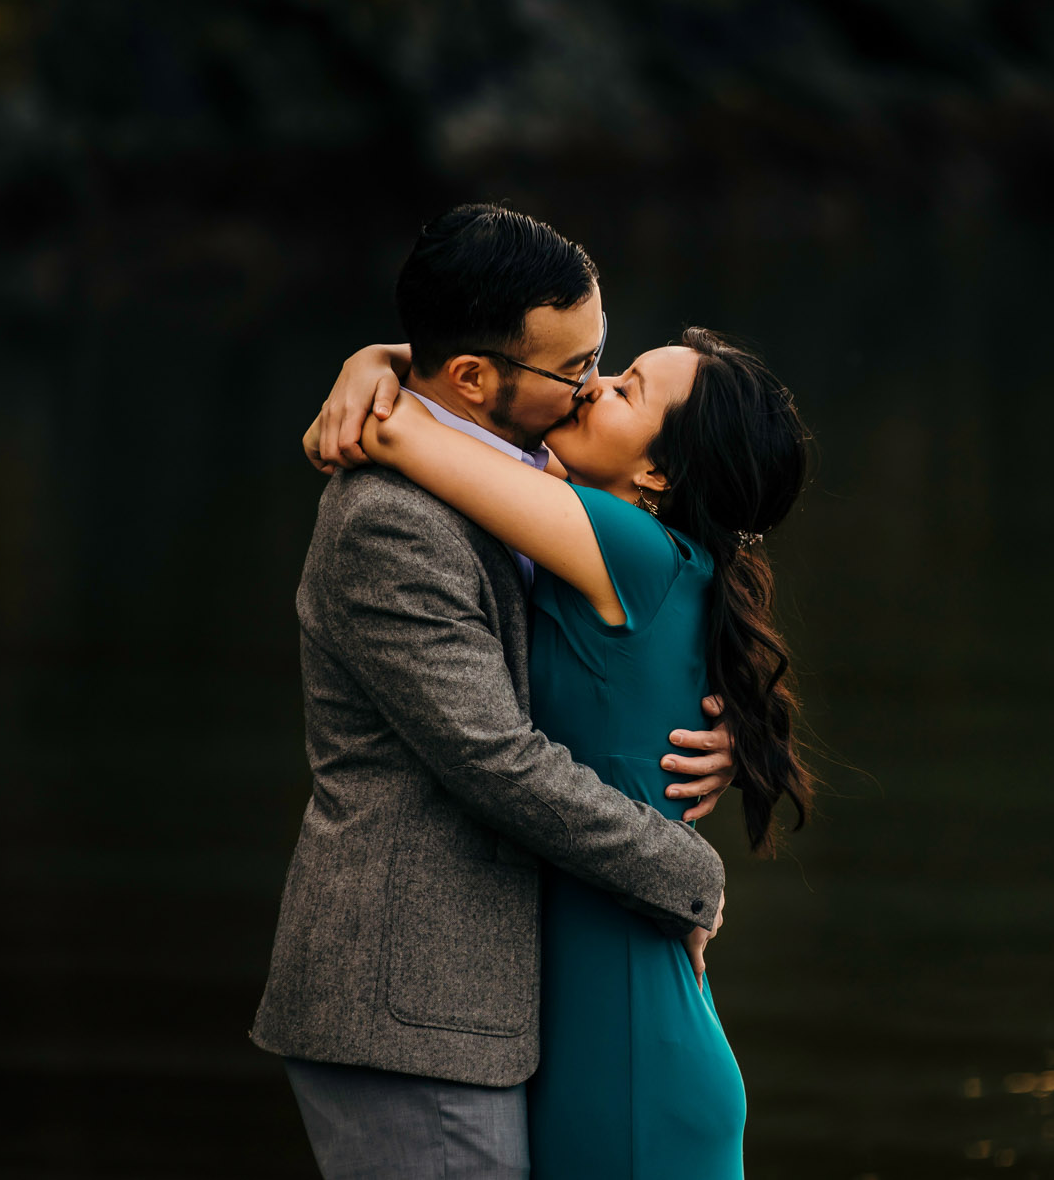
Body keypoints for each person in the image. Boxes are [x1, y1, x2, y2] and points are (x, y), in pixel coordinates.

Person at [251, 204, 745, 1180]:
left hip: (492, 997)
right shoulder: (390, 521)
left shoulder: (523, 475)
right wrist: (686, 870)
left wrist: (377, 361)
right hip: (406, 1003)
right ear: (477, 377)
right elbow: (491, 756)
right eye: (575, 369)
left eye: (603, 361)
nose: (591, 385)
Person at [307, 311, 815, 1178]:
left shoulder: (631, 549)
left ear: (656, 468)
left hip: (629, 1056)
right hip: (600, 1026)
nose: (595, 383)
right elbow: (461, 405)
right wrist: (376, 355)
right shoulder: (628, 549)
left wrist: (367, 364)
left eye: (629, 390)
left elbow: (400, 429)